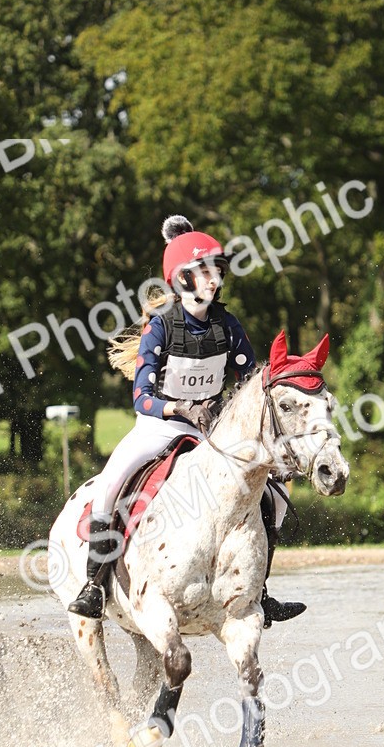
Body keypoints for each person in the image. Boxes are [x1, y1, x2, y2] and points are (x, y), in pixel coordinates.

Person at [67, 214, 306, 627]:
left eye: (218, 271)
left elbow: (250, 382)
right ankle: (94, 583)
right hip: (159, 428)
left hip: (210, 435)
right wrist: (178, 408)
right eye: (205, 272)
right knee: (109, 485)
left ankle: (259, 591)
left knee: (274, 496)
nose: (215, 280)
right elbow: (141, 396)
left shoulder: (228, 327)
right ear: (182, 279)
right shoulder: (160, 328)